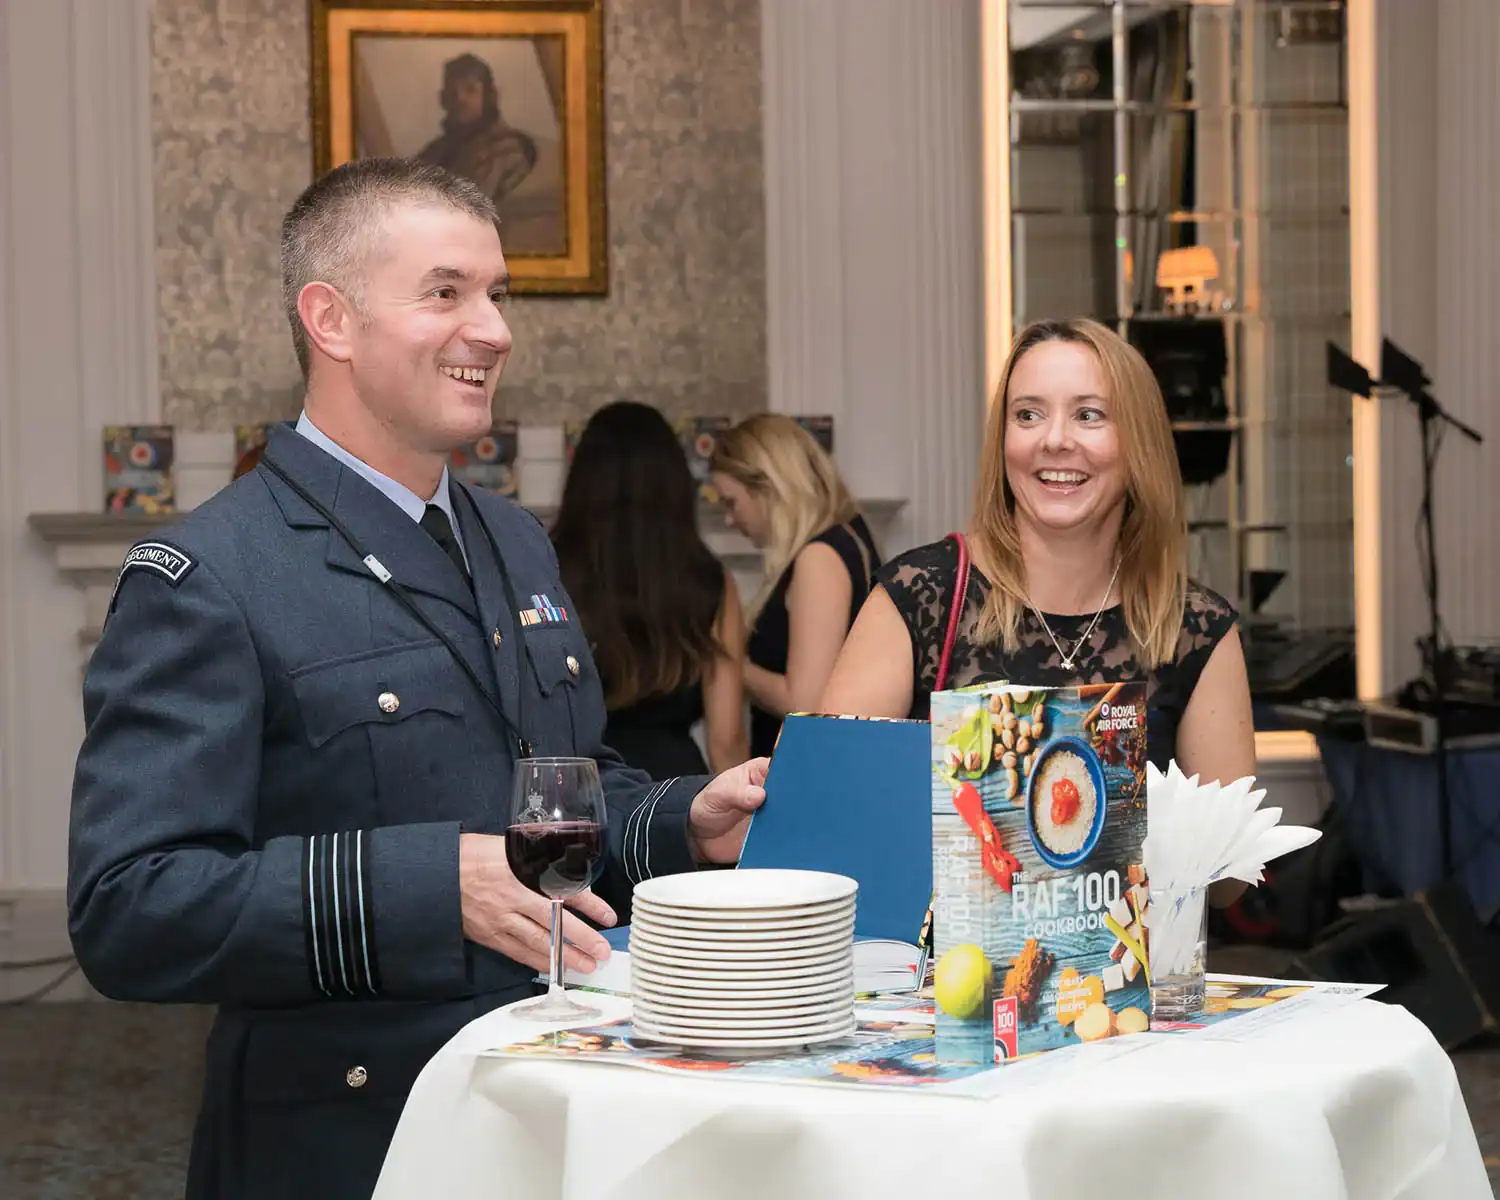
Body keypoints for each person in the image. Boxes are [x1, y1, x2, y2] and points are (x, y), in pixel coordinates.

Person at [66, 158, 768, 1200]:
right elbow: (132, 908)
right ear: (330, 320)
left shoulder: (516, 542)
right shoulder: (212, 575)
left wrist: (680, 821)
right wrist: (430, 886)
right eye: (447, 293)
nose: (492, 329)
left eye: (497, 294)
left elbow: (551, 801)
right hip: (352, 1141)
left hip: (557, 1115)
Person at [819, 317, 1253, 906]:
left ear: (1140, 443)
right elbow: (833, 814)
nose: (1054, 439)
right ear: (1004, 443)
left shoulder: (1197, 630)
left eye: (1089, 415)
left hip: (1125, 986)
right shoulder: (918, 596)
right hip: (929, 987)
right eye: (1028, 415)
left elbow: (1226, 885)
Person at [551, 399, 750, 778]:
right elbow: (726, 739)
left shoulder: (546, 569)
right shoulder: (710, 579)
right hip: (676, 791)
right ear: (675, 484)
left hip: (580, 789)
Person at [710, 414, 881, 758]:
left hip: (808, 770)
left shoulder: (818, 557)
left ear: (768, 487)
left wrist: (726, 660)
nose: (729, 519)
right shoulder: (848, 538)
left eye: (732, 502)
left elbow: (806, 701)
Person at [415, 54, 538, 207]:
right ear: (443, 99)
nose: (460, 99)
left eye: (470, 90)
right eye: (453, 92)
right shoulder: (433, 153)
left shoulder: (506, 151)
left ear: (489, 96)